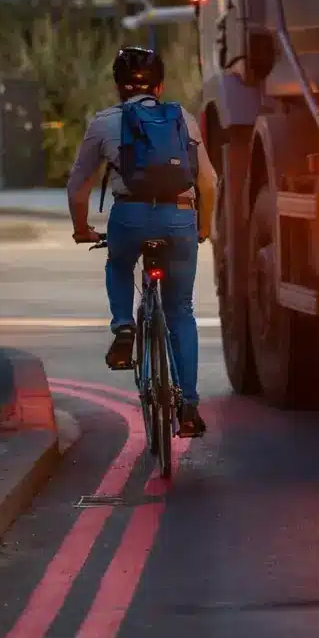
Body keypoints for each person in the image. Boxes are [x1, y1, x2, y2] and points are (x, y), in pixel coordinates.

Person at [67, 46, 217, 438]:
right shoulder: (181, 117)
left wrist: (82, 229)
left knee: (118, 263)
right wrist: (203, 227)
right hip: (180, 217)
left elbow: (78, 186)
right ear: (160, 85)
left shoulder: (104, 122)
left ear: (118, 87)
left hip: (129, 216)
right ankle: (188, 407)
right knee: (180, 310)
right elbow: (209, 183)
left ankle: (123, 326)